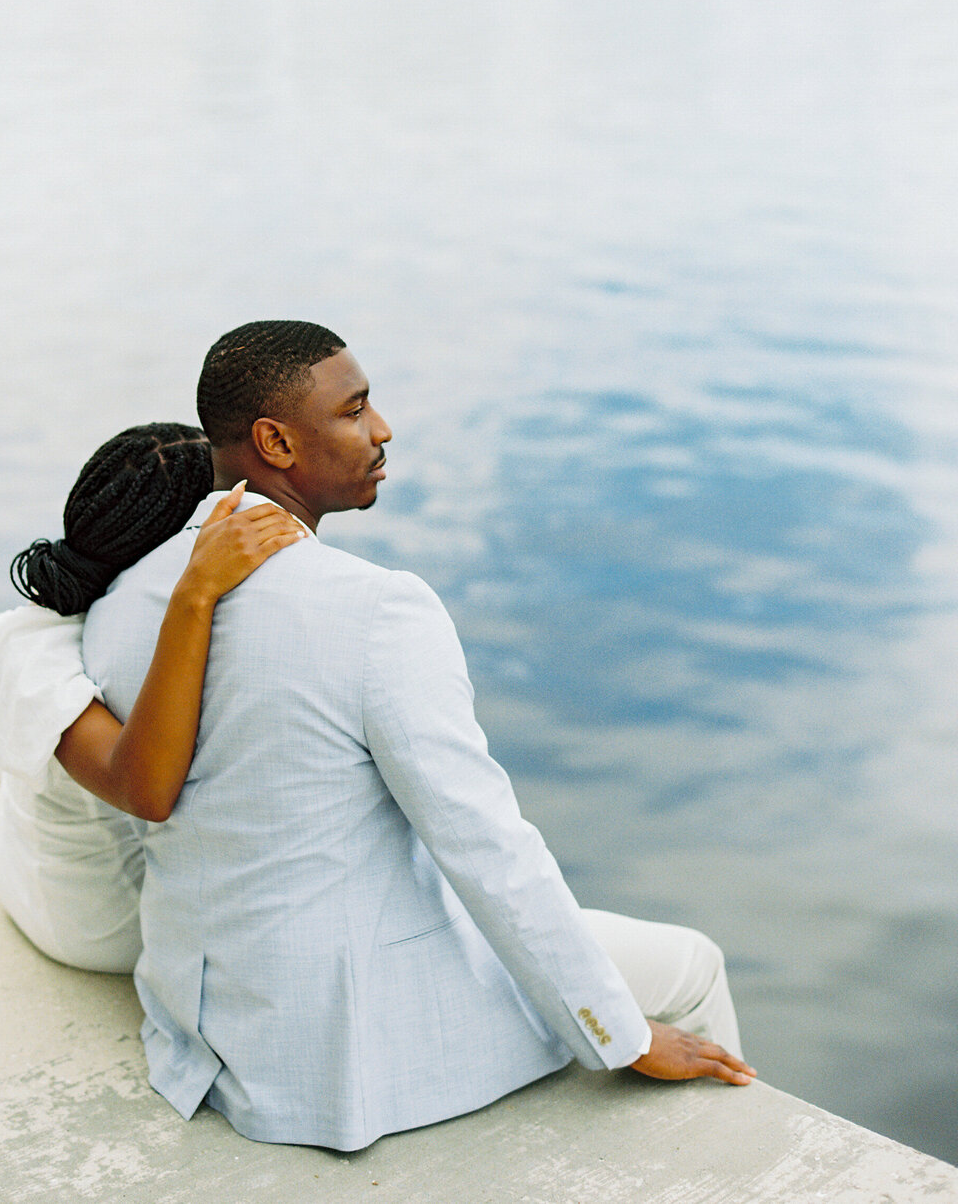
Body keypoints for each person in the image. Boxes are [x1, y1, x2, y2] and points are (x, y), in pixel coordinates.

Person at [80, 321, 754, 1152]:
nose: (383, 429)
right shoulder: (378, 610)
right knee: (690, 969)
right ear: (276, 441)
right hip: (341, 1046)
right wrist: (622, 1035)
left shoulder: (127, 594)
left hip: (204, 1019)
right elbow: (481, 842)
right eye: (356, 409)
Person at [0, 422, 302, 971]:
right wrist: (198, 587)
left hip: (30, 870)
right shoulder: (64, 661)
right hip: (98, 926)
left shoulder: (22, 627)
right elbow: (138, 788)